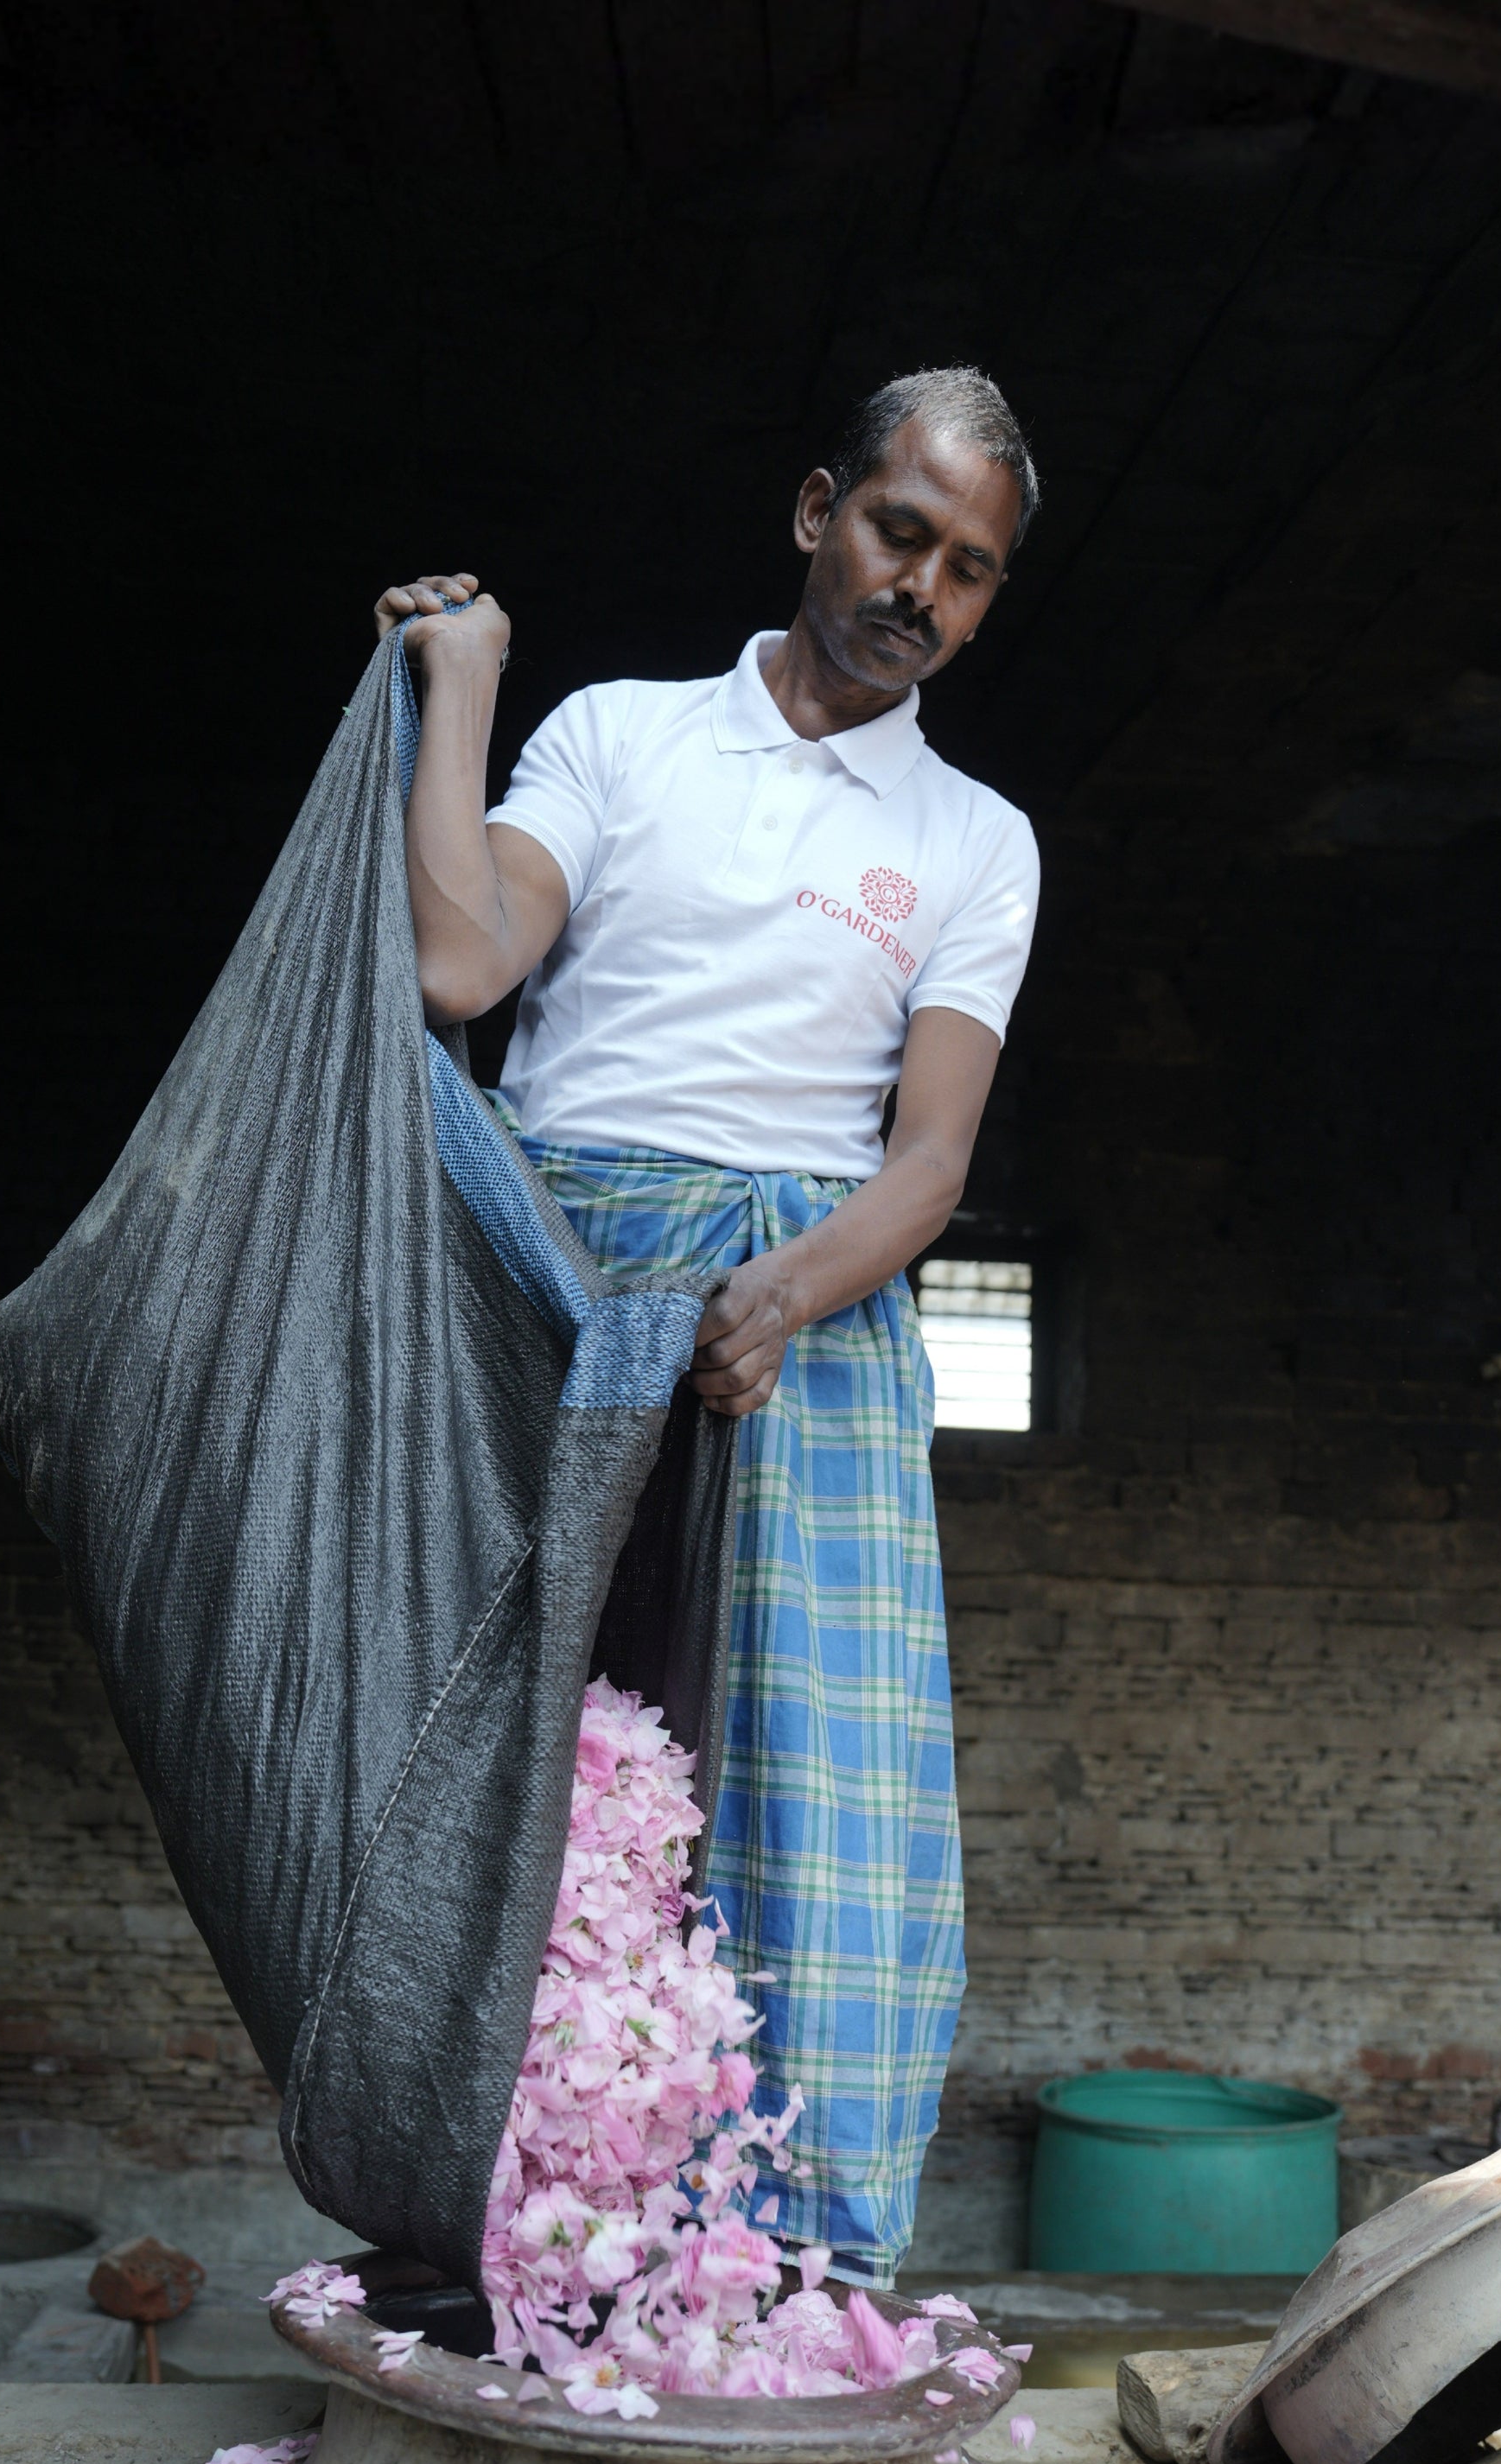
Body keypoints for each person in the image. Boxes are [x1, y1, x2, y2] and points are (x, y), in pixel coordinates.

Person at [372, 367, 1041, 2286]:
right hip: (560, 1288)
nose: (922, 588)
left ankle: (776, 2278)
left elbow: (929, 1163)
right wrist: (465, 689)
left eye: (969, 570)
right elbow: (457, 965)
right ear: (819, 508)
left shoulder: (975, 839)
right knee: (506, 1766)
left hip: (802, 1309)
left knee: (819, 1795)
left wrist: (786, 1291)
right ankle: (486, 2240)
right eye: (900, 532)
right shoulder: (622, 736)